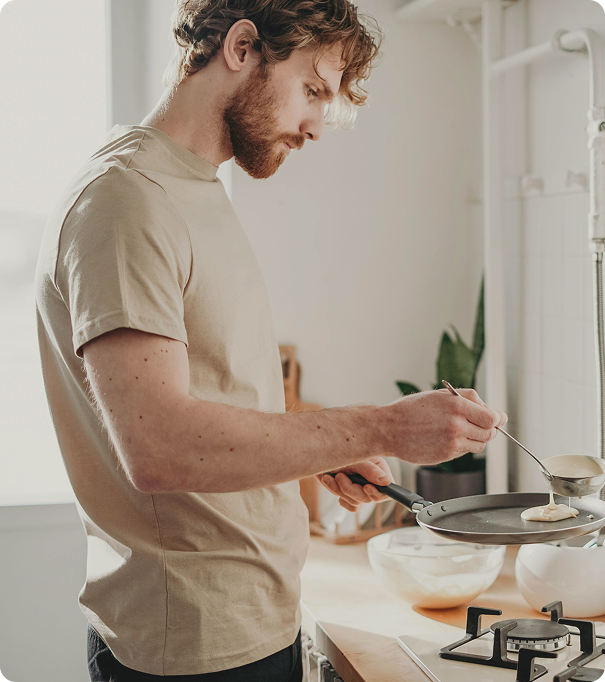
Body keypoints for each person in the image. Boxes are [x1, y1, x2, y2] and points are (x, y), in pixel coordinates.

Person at [34, 1, 507, 680]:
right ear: (241, 47)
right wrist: (380, 428)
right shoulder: (127, 201)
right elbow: (160, 447)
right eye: (312, 89)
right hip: (193, 647)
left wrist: (314, 450)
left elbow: (209, 397)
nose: (316, 124)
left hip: (250, 621)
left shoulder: (190, 187)